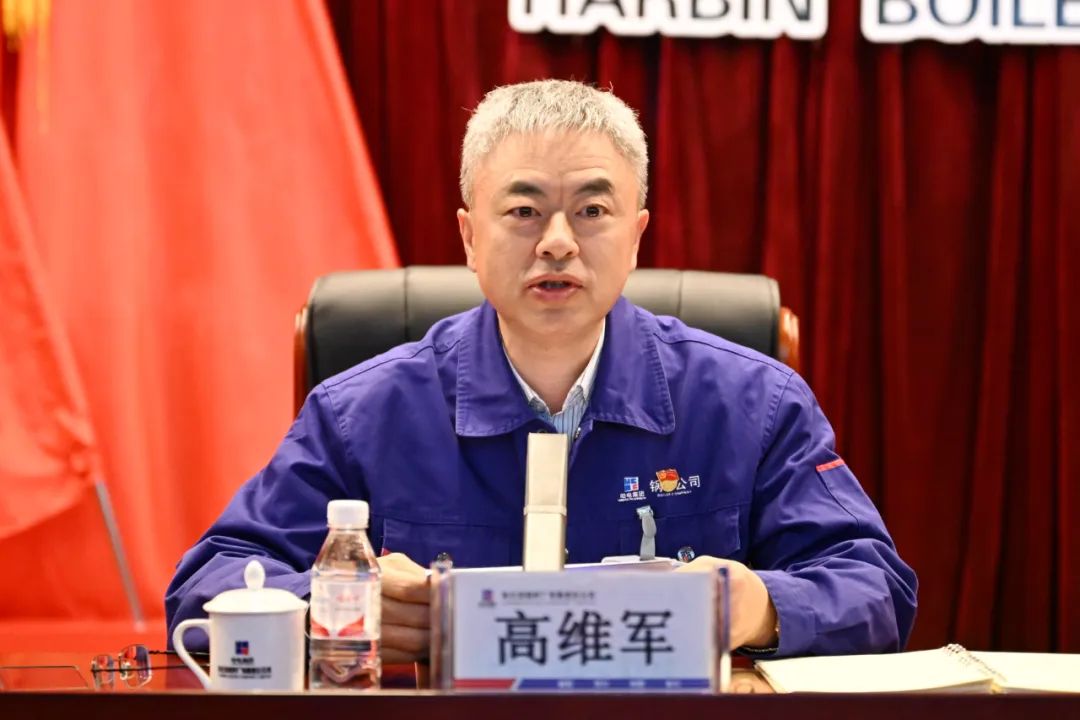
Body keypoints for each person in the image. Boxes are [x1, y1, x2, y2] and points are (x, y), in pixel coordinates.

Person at [166, 79, 917, 662]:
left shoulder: (752, 402)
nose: (558, 242)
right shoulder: (363, 413)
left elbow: (875, 586)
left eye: (592, 211)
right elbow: (210, 584)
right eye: (524, 212)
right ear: (469, 236)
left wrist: (760, 605)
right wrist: (335, 603)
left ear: (636, 236)